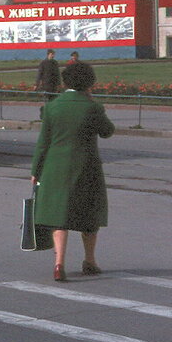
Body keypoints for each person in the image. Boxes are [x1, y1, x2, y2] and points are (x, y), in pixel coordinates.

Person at [30, 60, 115, 282]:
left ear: (65, 81)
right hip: (87, 167)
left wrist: (35, 170)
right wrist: (95, 104)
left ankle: (59, 264)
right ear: (90, 83)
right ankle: (90, 260)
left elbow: (43, 143)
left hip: (54, 167)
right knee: (89, 215)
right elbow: (108, 131)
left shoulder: (52, 107)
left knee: (60, 217)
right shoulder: (92, 107)